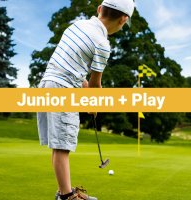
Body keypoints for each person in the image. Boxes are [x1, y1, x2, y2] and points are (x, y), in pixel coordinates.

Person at [37, 0, 135, 199]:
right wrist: (94, 103)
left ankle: (64, 191)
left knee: (59, 145)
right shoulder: (102, 43)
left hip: (47, 84)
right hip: (63, 90)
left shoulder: (77, 25)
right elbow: (95, 83)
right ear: (123, 19)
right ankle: (67, 196)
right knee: (62, 146)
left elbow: (74, 72)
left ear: (100, 9)